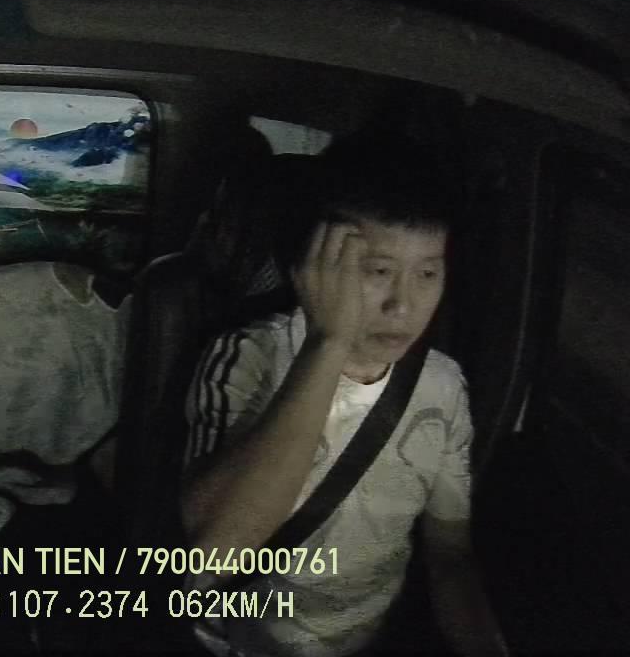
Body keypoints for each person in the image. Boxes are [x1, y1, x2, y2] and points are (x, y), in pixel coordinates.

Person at [178, 136, 507, 657]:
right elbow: (216, 553)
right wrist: (329, 342)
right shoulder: (248, 354)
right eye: (378, 272)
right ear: (315, 269)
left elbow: (449, 555)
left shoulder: (443, 386)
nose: (403, 306)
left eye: (427, 274)